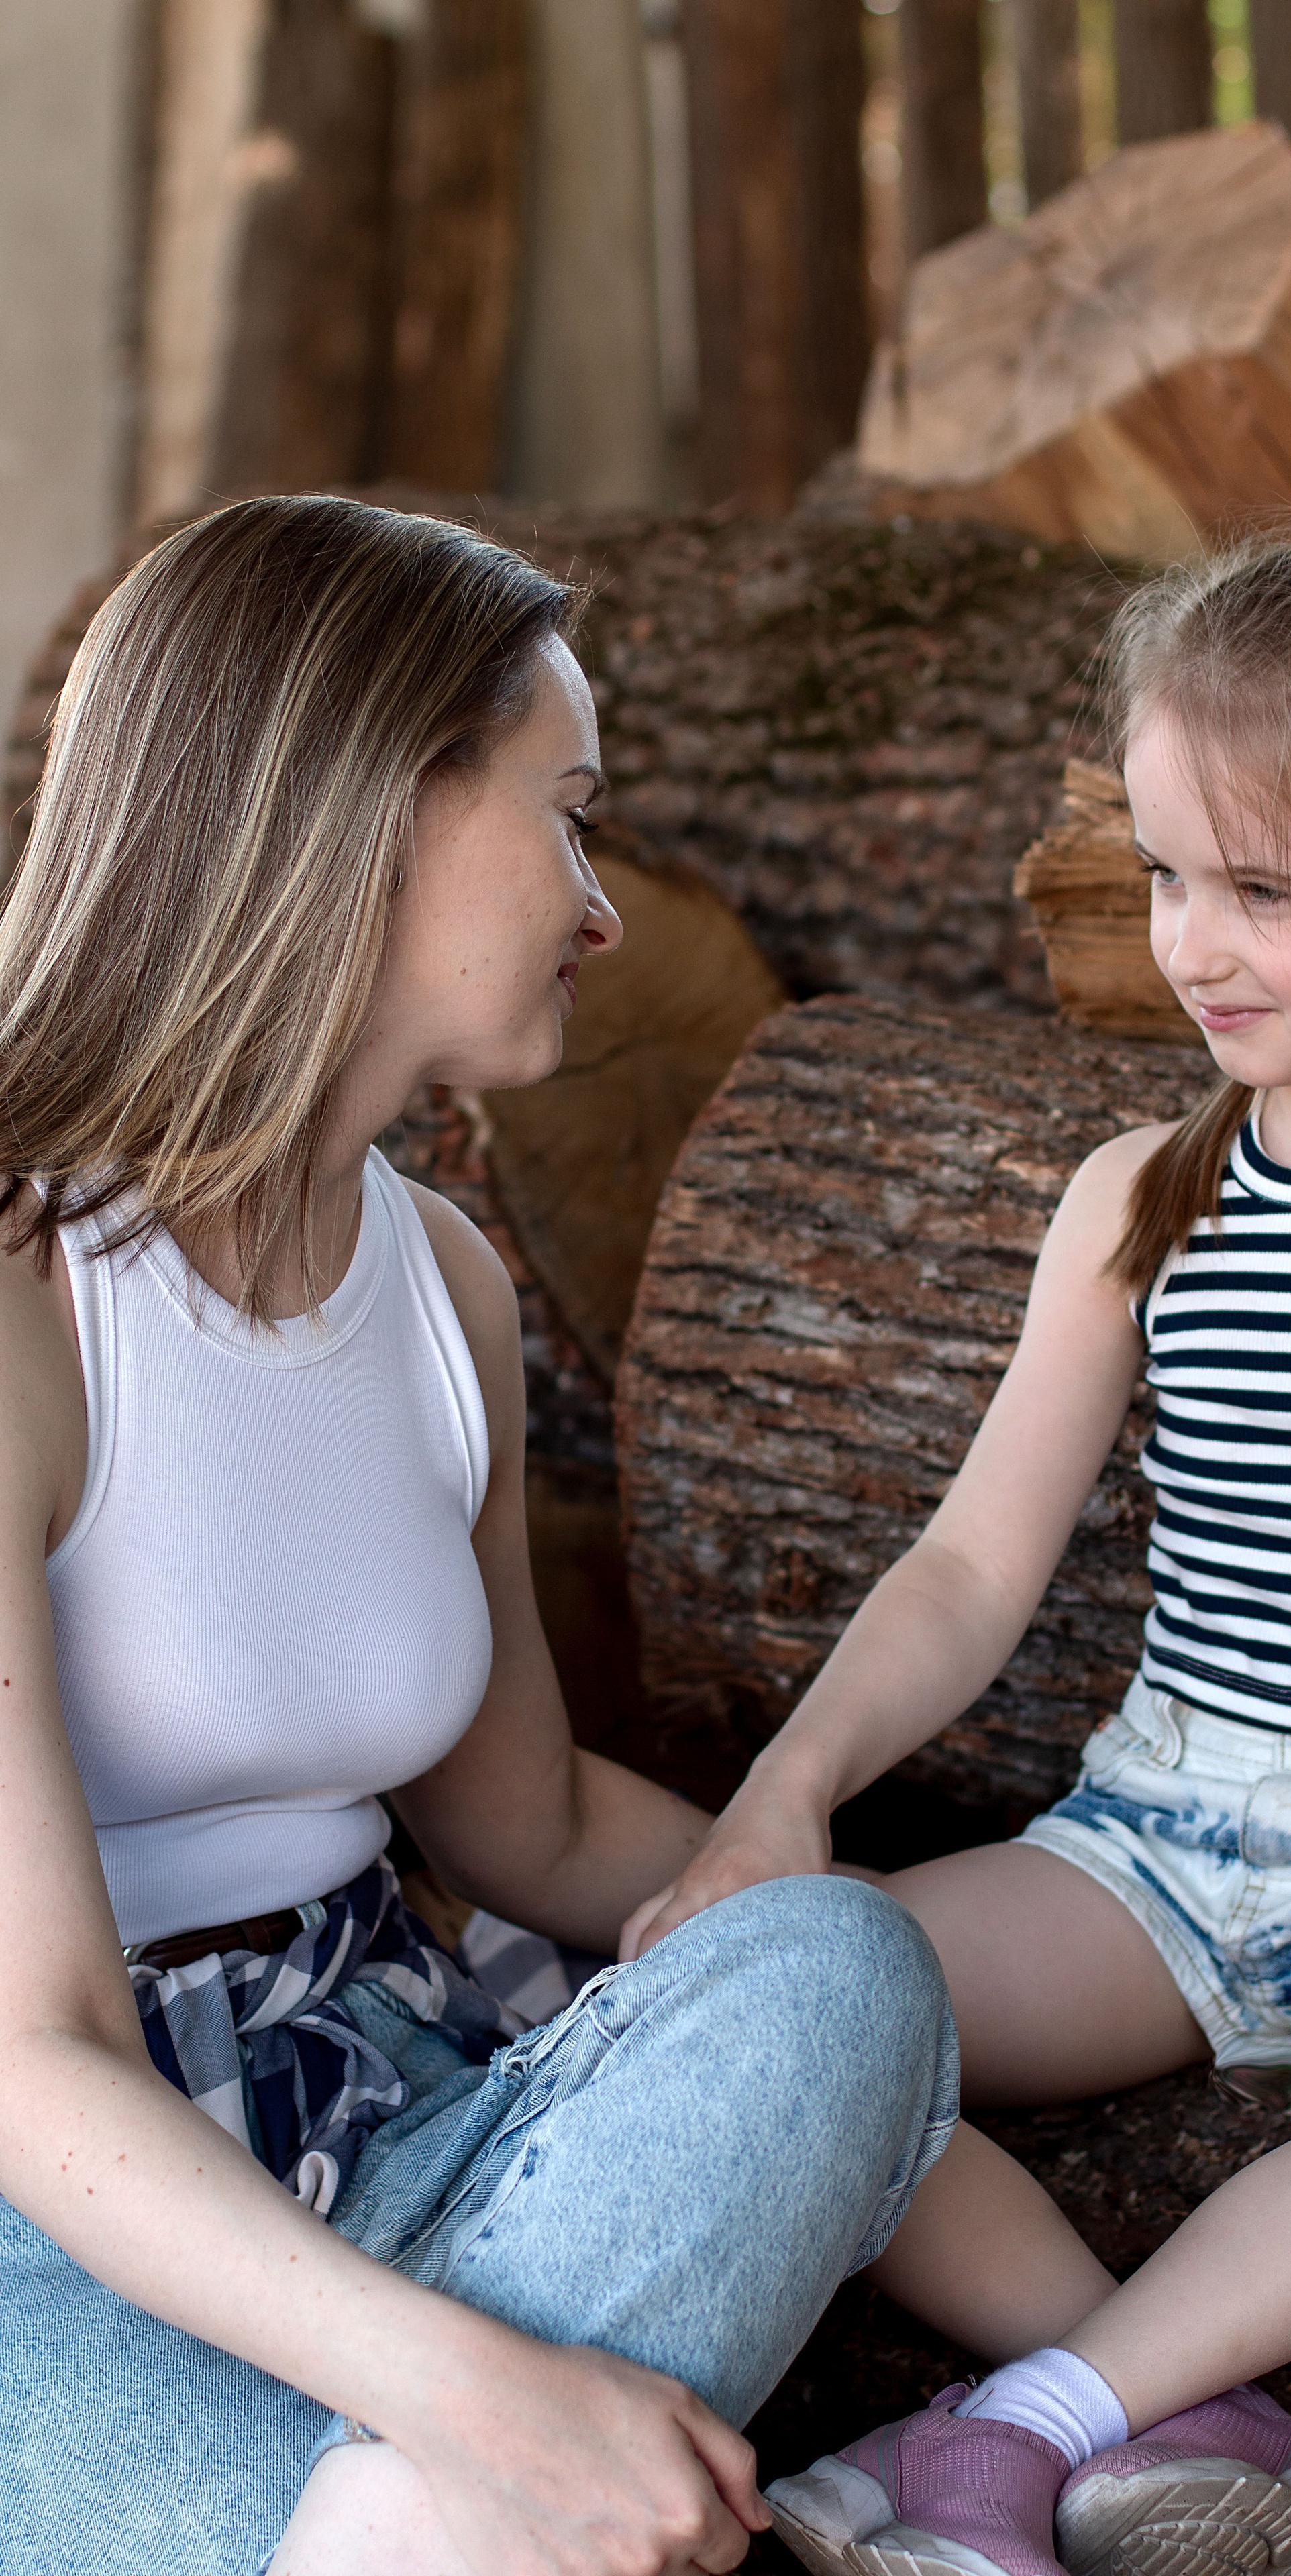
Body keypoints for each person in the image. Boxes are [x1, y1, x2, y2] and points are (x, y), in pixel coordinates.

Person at [621, 520, 1291, 2576]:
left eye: (1264, 890)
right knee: (765, 1990)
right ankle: (1159, 2413)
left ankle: (1002, 2436)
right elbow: (967, 1567)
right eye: (1166, 874)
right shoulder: (1145, 1198)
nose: (1194, 944)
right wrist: (785, 1800)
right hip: (1148, 1845)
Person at [0, 494, 964, 2576]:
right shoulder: (27, 1294)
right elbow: (37, 2054)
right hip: (49, 2219)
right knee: (439, 2507)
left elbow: (525, 1831)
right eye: (572, 813)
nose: (605, 908)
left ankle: (412, 2530)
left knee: (834, 1964)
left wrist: (1026, 1936)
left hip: (394, 2106)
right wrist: (480, 2391)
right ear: (366, 807)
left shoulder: (445, 1288)